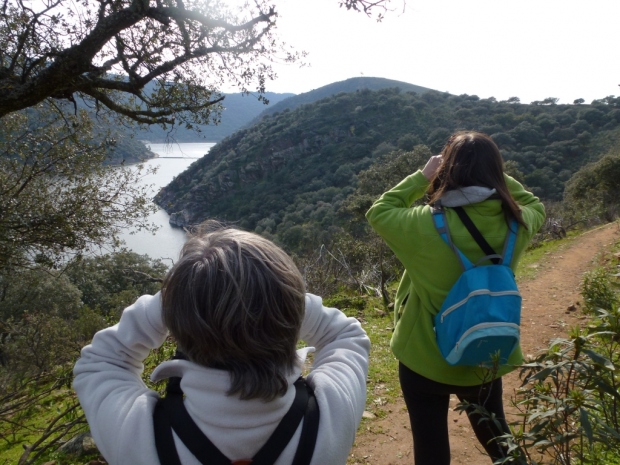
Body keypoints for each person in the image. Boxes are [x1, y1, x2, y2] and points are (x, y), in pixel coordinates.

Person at [73, 222, 370, 465]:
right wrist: (280, 298)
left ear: (177, 326)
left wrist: (177, 299)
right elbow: (344, 335)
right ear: (294, 314)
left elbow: (102, 360)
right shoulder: (331, 416)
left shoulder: (137, 438)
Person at [366, 131, 545, 464]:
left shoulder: (424, 224)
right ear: (495, 172)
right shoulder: (516, 224)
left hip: (424, 359)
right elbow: (536, 204)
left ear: (448, 170)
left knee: (429, 446)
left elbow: (380, 210)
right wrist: (494, 174)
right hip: (486, 356)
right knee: (498, 437)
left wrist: (424, 176)